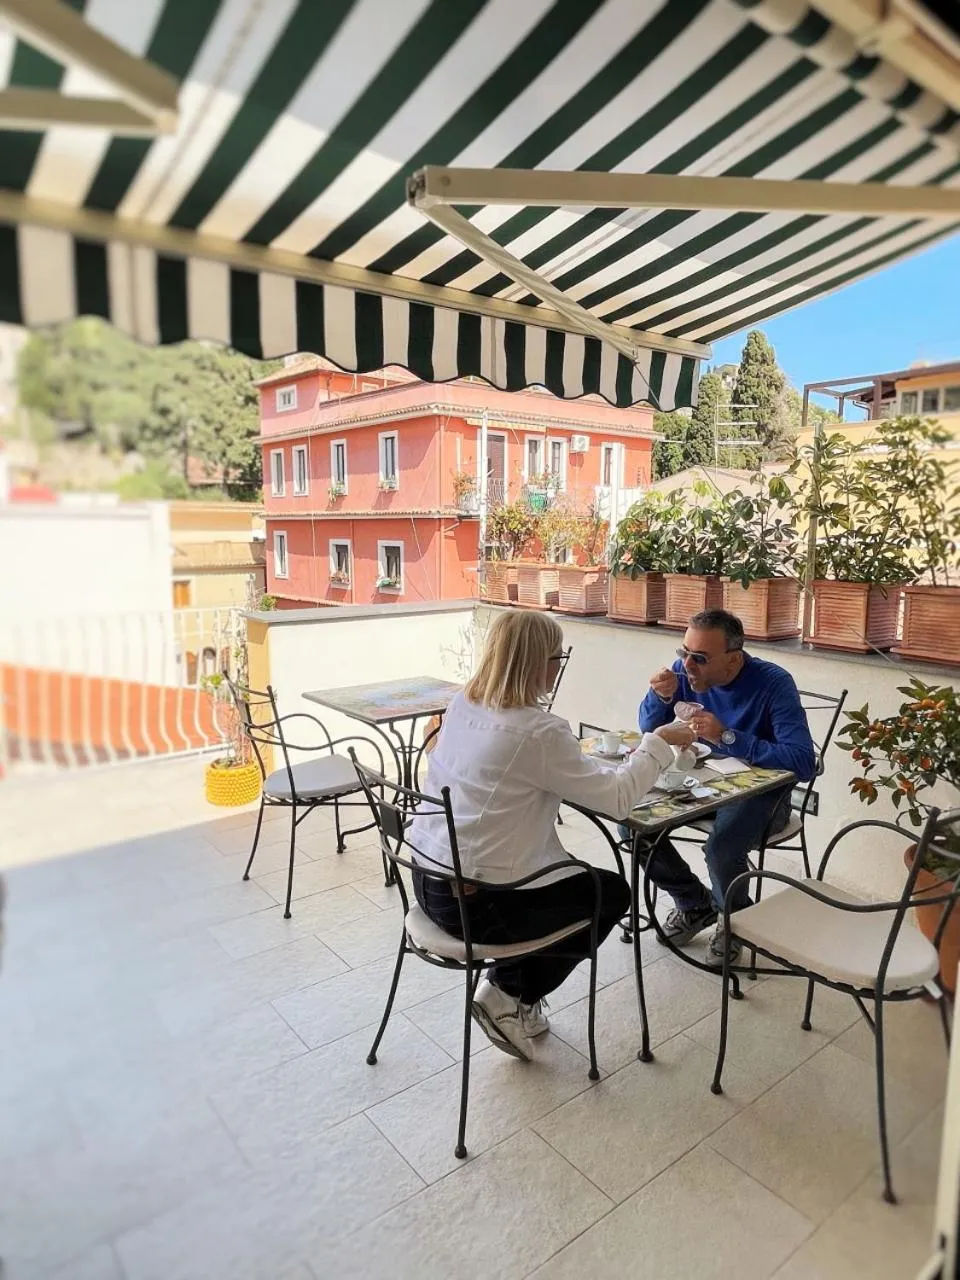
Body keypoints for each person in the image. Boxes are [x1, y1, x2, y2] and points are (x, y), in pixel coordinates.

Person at [415, 609, 696, 1061]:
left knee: (578, 884)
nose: (558, 665)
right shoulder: (538, 731)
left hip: (429, 879)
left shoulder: (466, 703)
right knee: (610, 893)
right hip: (478, 906)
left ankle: (510, 989)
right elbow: (619, 801)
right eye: (556, 657)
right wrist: (658, 741)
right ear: (535, 663)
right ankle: (510, 994)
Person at [638, 609, 816, 968]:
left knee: (721, 847)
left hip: (761, 793)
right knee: (632, 825)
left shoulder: (773, 683)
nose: (687, 665)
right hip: (702, 781)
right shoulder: (683, 673)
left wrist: (726, 736)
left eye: (699, 658)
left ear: (733, 660)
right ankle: (694, 904)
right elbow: (647, 727)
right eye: (682, 652)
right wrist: (658, 698)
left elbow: (802, 761)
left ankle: (733, 922)